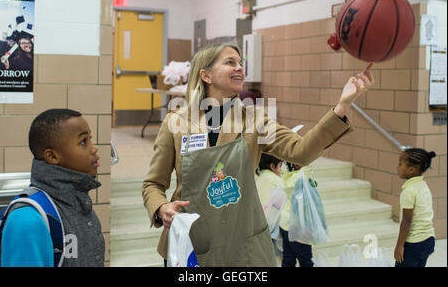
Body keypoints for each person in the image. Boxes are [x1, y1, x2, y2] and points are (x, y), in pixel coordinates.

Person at [142, 43, 374, 266]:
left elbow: (300, 151)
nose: (240, 68)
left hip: (240, 242)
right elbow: (153, 184)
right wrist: (161, 207)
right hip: (189, 242)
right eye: (230, 62)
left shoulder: (254, 119)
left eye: (241, 63)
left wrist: (342, 106)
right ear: (206, 75)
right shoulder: (176, 122)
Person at [0, 109, 104, 267]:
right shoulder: (28, 219)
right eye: (83, 142)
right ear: (53, 156)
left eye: (90, 139)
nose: (94, 148)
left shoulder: (80, 205)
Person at [394, 148, 437, 267]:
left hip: (414, 244)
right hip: (428, 239)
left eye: (400, 164)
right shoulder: (423, 185)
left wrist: (399, 246)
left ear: (411, 170)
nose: (398, 167)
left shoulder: (408, 191)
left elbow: (407, 221)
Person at [279, 163, 315, 267]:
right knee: (306, 262)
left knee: (288, 260)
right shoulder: (303, 177)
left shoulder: (287, 176)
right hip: (299, 225)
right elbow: (308, 166)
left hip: (285, 223)